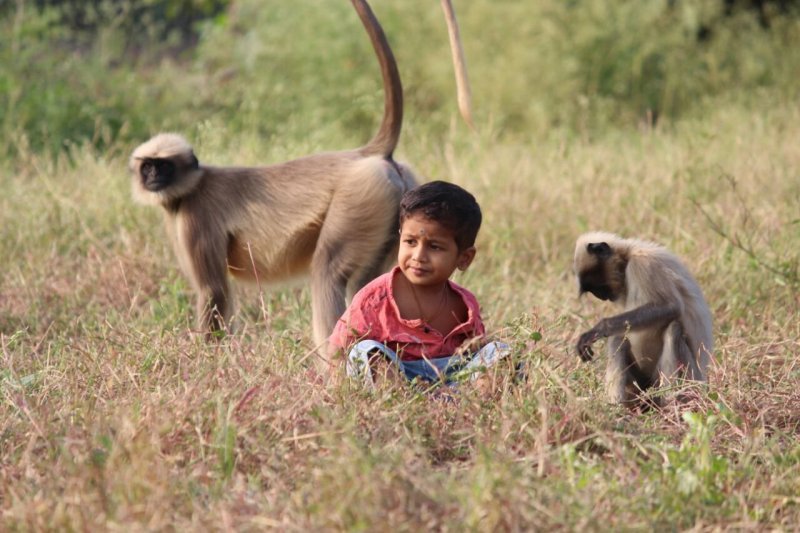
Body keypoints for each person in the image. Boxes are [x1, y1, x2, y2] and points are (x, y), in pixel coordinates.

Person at [327, 180, 511, 389]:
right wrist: (337, 394)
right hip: (398, 385)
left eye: (434, 247)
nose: (418, 256)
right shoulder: (374, 299)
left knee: (499, 352)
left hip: (455, 387)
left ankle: (470, 408)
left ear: (464, 258)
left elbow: (475, 352)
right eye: (410, 242)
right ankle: (400, 403)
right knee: (365, 351)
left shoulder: (465, 304)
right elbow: (338, 350)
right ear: (400, 239)